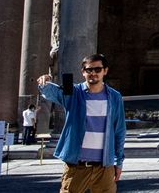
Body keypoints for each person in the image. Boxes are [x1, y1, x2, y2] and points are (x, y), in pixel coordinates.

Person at [37, 54, 126, 193]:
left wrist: (118, 162)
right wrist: (45, 81)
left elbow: (119, 130)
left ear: (105, 71)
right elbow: (51, 93)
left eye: (97, 69)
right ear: (83, 72)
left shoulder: (115, 97)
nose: (93, 73)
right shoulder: (74, 92)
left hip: (105, 167)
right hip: (76, 166)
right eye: (89, 70)